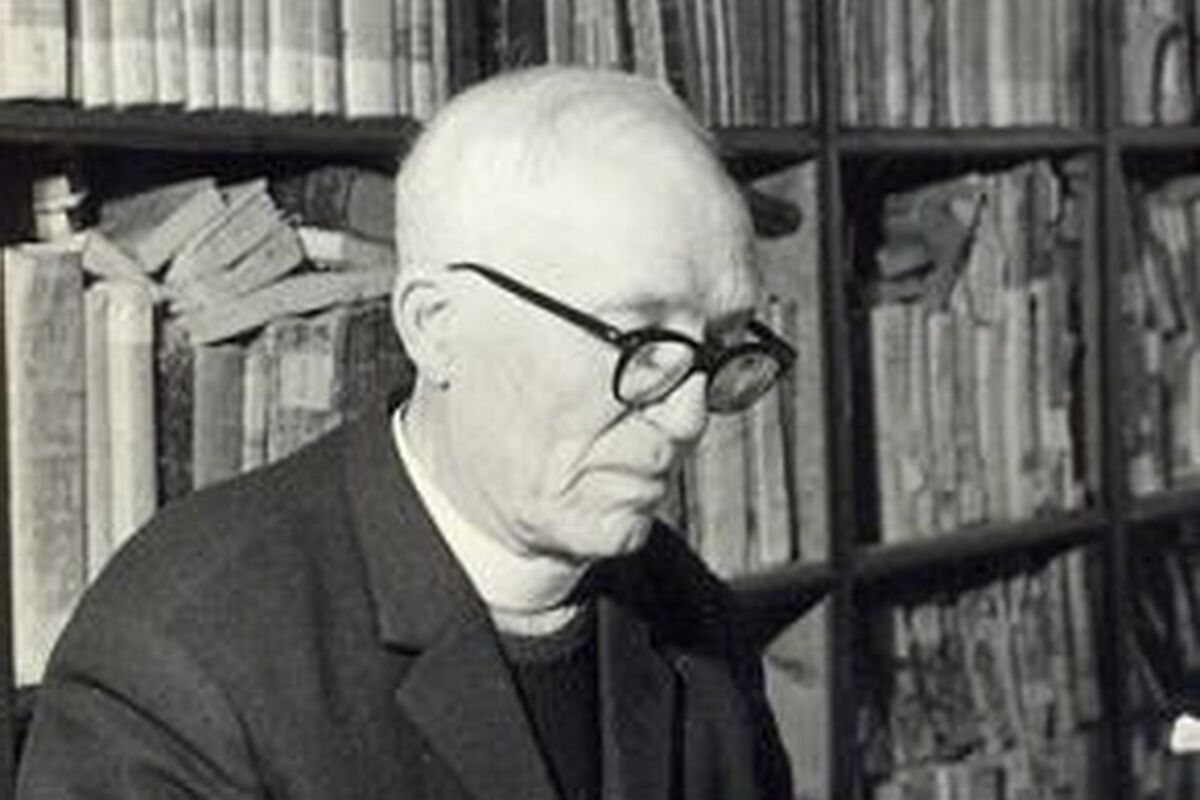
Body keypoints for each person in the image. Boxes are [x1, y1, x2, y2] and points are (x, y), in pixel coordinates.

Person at [17, 66, 796, 800]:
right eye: (639, 343)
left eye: (721, 344)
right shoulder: (182, 653)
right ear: (435, 327)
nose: (689, 417)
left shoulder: (694, 615)